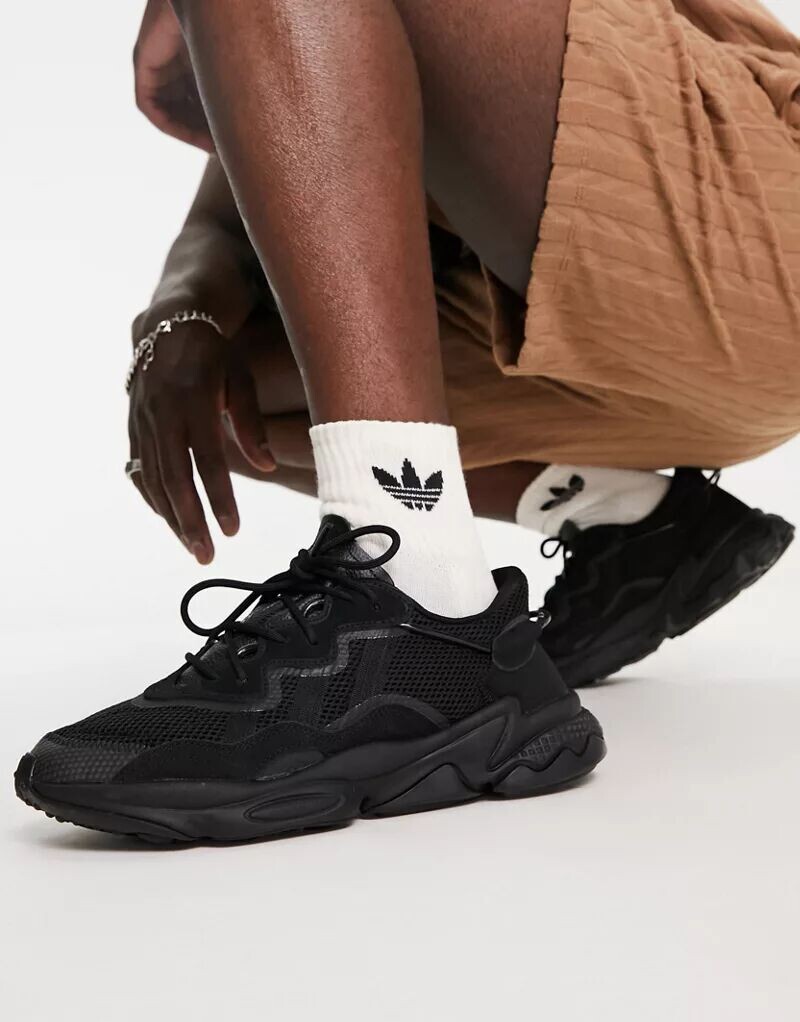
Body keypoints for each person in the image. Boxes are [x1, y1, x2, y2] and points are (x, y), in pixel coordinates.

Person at [14, 0, 799, 841]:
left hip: (760, 214)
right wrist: (179, 314)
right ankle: (631, 516)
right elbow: (271, 176)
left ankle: (412, 594)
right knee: (224, 395)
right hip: (653, 360)